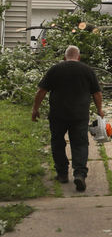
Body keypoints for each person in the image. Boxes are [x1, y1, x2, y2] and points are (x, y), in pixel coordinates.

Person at [31, 45, 103, 192]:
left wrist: (35, 109)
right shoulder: (87, 70)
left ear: (64, 57)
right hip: (80, 115)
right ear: (79, 57)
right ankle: (80, 174)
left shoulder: (55, 69)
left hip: (58, 114)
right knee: (80, 144)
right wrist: (100, 110)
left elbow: (41, 91)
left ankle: (62, 174)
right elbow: (97, 93)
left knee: (57, 142)